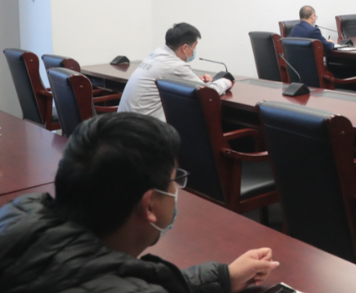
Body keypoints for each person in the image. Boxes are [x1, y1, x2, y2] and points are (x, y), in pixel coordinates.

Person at [0, 112, 279, 293]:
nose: (176, 189)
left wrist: (224, 277)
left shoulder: (21, 219)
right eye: (175, 179)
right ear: (150, 206)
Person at [119, 23, 233, 122]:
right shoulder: (175, 65)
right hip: (142, 130)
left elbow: (168, 76)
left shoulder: (156, 55)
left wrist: (193, 80)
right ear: (185, 48)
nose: (194, 51)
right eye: (194, 47)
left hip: (123, 124)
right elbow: (208, 92)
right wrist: (226, 81)